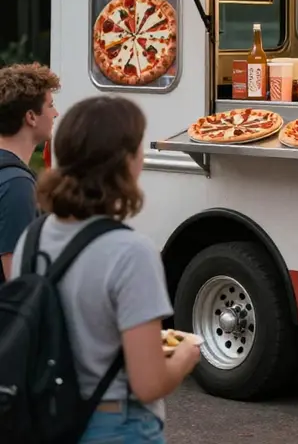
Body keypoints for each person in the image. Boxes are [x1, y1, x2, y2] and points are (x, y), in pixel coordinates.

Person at [11, 95, 201, 443]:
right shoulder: (131, 251)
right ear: (125, 163)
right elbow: (148, 384)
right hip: (116, 425)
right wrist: (186, 356)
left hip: (45, 420)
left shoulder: (32, 238)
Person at [0, 62, 60, 283]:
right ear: (31, 117)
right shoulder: (17, 185)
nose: (56, 113)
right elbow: (18, 281)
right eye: (50, 105)